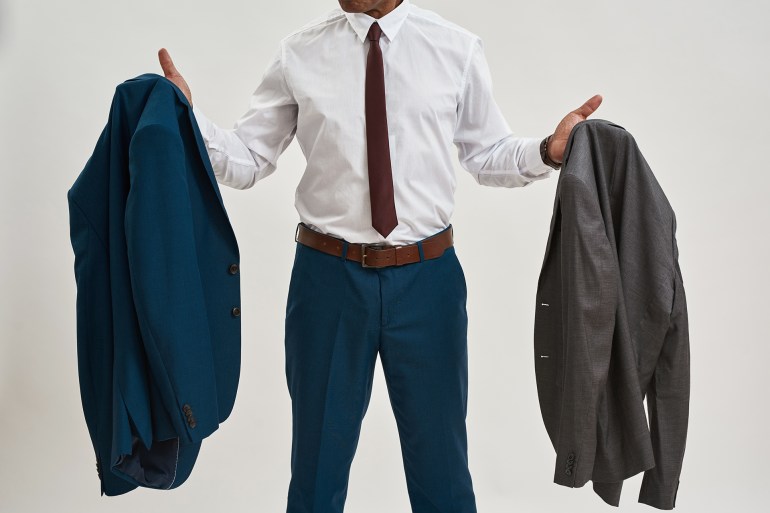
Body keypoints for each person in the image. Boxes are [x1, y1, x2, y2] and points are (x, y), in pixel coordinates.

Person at [158, 1, 601, 511]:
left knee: (442, 471)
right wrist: (185, 119)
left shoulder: (454, 48)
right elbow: (249, 157)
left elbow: (486, 153)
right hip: (327, 282)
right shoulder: (300, 52)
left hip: (428, 282)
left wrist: (547, 151)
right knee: (316, 471)